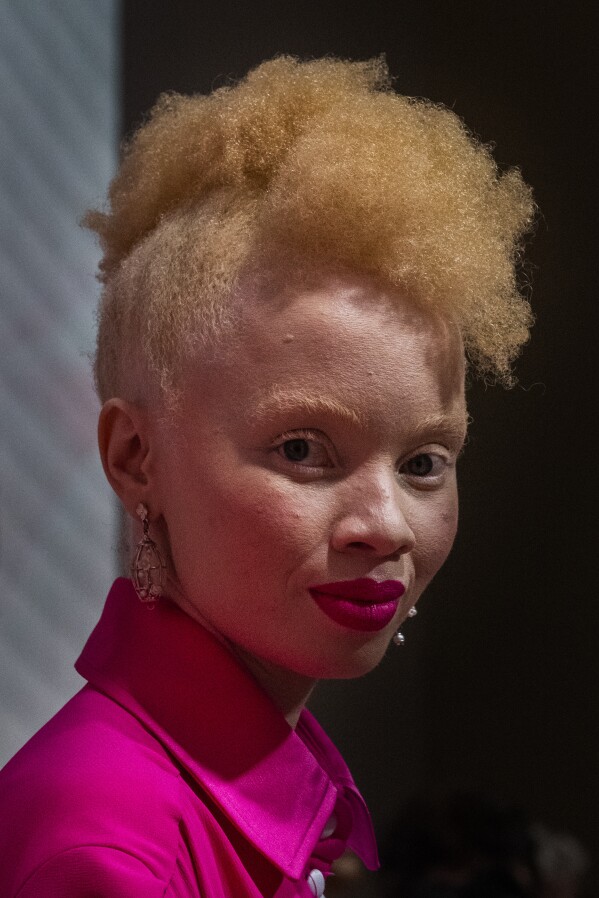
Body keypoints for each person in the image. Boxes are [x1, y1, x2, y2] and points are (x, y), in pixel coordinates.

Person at [0, 56, 535, 897]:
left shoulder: (247, 779)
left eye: (424, 462)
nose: (385, 524)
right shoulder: (106, 851)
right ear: (135, 458)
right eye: (301, 449)